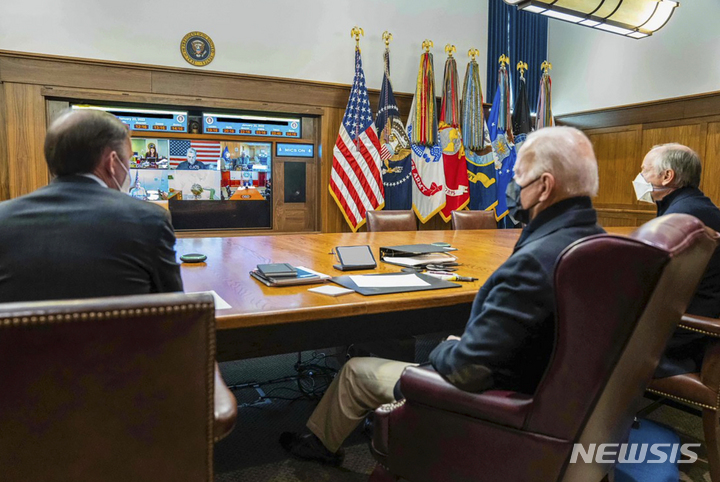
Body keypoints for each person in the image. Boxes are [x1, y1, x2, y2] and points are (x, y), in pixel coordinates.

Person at [279, 126, 605, 465]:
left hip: (502, 400)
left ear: (544, 187)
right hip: (567, 402)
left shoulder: (533, 263)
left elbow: (467, 369)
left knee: (356, 372)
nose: (511, 185)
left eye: (518, 175)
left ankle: (320, 446)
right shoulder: (600, 245)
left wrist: (446, 347)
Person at [0, 108, 183, 302]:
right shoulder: (149, 220)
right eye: (128, 160)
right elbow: (176, 312)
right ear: (112, 162)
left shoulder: (3, 218)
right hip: (119, 333)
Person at [634, 143, 720, 377]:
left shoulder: (679, 217)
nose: (639, 177)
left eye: (645, 170)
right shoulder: (697, 206)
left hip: (682, 332)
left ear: (666, 176)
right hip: (693, 323)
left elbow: (646, 280)